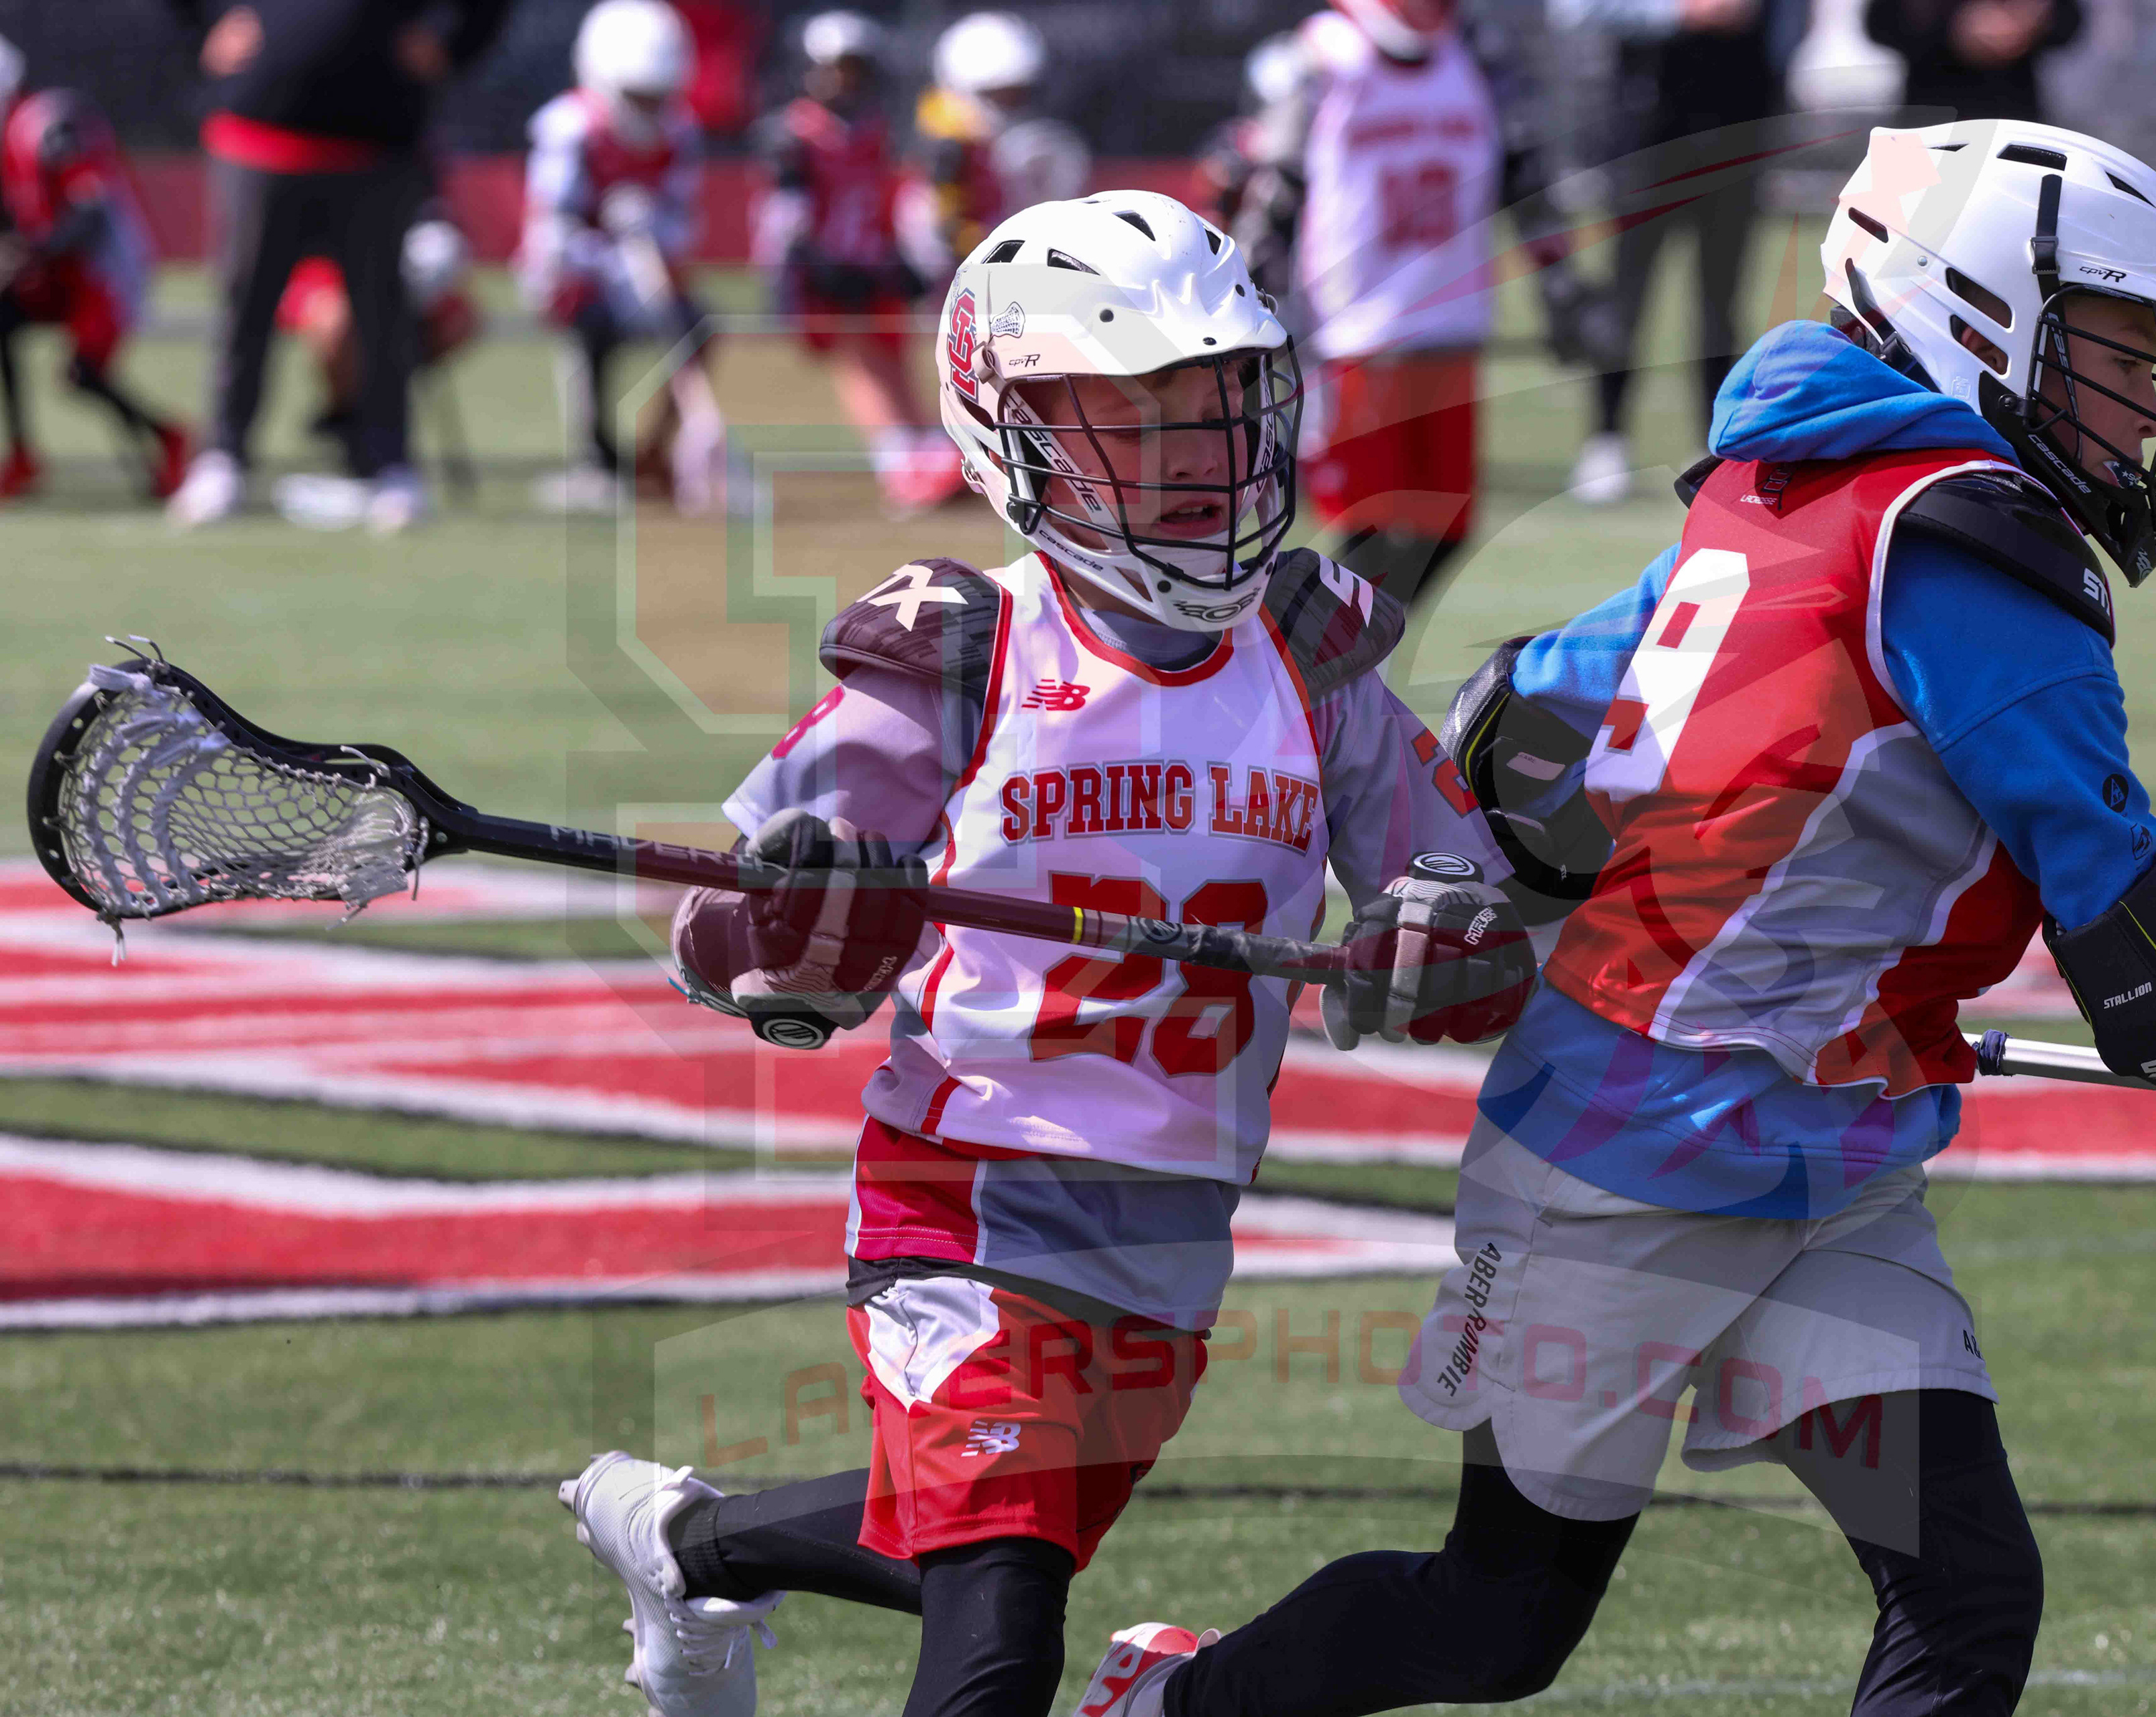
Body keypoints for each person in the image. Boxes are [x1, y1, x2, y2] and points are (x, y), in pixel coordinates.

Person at [1073, 121, 2156, 1717]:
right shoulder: (1971, 554)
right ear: (1978, 315)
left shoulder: (1783, 480)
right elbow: (2152, 978)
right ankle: (1167, 1705)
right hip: (1626, 1167)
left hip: (1818, 1157)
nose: (2150, 405)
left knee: (1962, 1590)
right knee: (1495, 1619)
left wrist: (1506, 895)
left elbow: (1515, 725)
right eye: (2117, 353)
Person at [553, 189, 1540, 1717]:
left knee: (978, 1542)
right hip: (970, 1189)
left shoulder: (1309, 647)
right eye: (1135, 417)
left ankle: (686, 1542)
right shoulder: (960, 648)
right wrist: (804, 929)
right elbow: (724, 930)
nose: (1197, 456)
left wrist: (1441, 934)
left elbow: (1452, 877)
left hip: (1177, 1220)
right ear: (1014, 431)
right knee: (997, 1625)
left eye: (1217, 407)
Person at [161, 0, 512, 532]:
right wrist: (206, 25)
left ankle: (389, 465)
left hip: (375, 143)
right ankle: (224, 459)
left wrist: (453, 46)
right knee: (245, 307)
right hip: (260, 131)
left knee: (381, 312)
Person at [1230, 0, 1505, 609]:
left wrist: (1565, 287)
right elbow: (1273, 183)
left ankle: (1353, 643)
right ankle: (1318, 649)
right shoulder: (1326, 51)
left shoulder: (1475, 49)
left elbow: (1525, 166)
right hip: (1354, 327)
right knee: (1367, 523)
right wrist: (1254, 291)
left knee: (1448, 526)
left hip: (1452, 320)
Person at [1554, 0, 1806, 508]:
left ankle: (1716, 446)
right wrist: (1680, 13)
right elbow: (1577, 11)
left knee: (1721, 301)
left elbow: (1793, 22)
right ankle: (1606, 438)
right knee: (1627, 297)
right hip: (1649, 130)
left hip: (1738, 124)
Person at [519, 0, 728, 515]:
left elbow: (683, 219)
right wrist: (608, 251)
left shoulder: (679, 132)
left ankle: (657, 451)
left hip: (645, 272)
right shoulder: (570, 128)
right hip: (575, 277)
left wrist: (652, 228)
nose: (649, 107)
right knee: (590, 327)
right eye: (639, 95)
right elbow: (551, 230)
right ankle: (596, 457)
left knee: (698, 324)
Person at [752, 11, 960, 517]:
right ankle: (899, 461)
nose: (845, 82)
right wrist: (800, 267)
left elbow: (893, 198)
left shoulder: (875, 133)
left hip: (872, 267)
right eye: (837, 69)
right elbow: (785, 219)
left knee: (893, 354)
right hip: (823, 273)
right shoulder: (794, 137)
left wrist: (908, 258)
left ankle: (932, 450)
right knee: (858, 357)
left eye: (855, 70)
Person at [0, 35, 189, 504]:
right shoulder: (10, 137)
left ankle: (168, 439)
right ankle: (22, 455)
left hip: (103, 274)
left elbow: (89, 210)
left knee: (83, 374)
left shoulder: (50, 122)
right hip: (58, 274)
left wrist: (28, 252)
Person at [275, 209, 480, 478]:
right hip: (333, 278)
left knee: (457, 322)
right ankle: (348, 421)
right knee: (336, 324)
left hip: (395, 286)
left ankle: (385, 401)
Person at [904, 11, 1090, 277]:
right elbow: (930, 246)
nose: (1011, 104)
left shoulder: (1045, 151)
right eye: (999, 94)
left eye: (1018, 93)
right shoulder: (943, 152)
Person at [1865, 0, 2083, 127]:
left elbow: (2069, 21)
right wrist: (1952, 31)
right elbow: (1880, 23)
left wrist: (2036, 24)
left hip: (2014, 120)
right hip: (1932, 123)